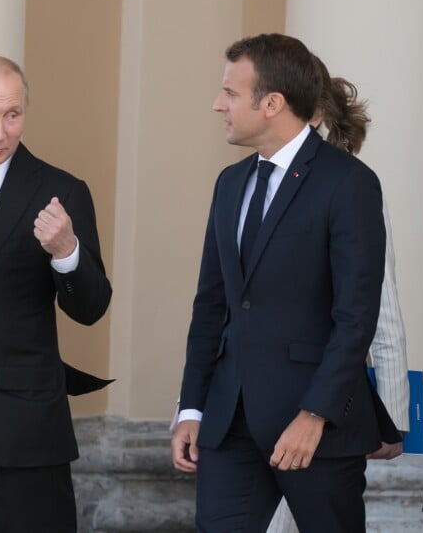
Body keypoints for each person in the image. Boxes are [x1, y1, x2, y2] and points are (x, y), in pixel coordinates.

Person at [171, 33, 400, 533]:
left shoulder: (350, 183)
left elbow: (355, 315)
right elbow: (211, 306)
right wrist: (192, 407)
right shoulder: (229, 184)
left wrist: (314, 414)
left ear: (272, 103)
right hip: (229, 421)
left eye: (230, 93)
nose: (218, 104)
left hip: (315, 427)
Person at [0, 55, 112, 533]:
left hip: (19, 424)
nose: (1, 132)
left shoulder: (60, 191)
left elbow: (91, 308)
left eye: (13, 115)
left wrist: (67, 251)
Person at [266, 56, 411, 533]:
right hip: (254, 400)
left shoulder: (350, 184)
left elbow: (379, 310)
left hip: (321, 406)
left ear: (315, 116)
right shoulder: (249, 185)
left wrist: (391, 418)